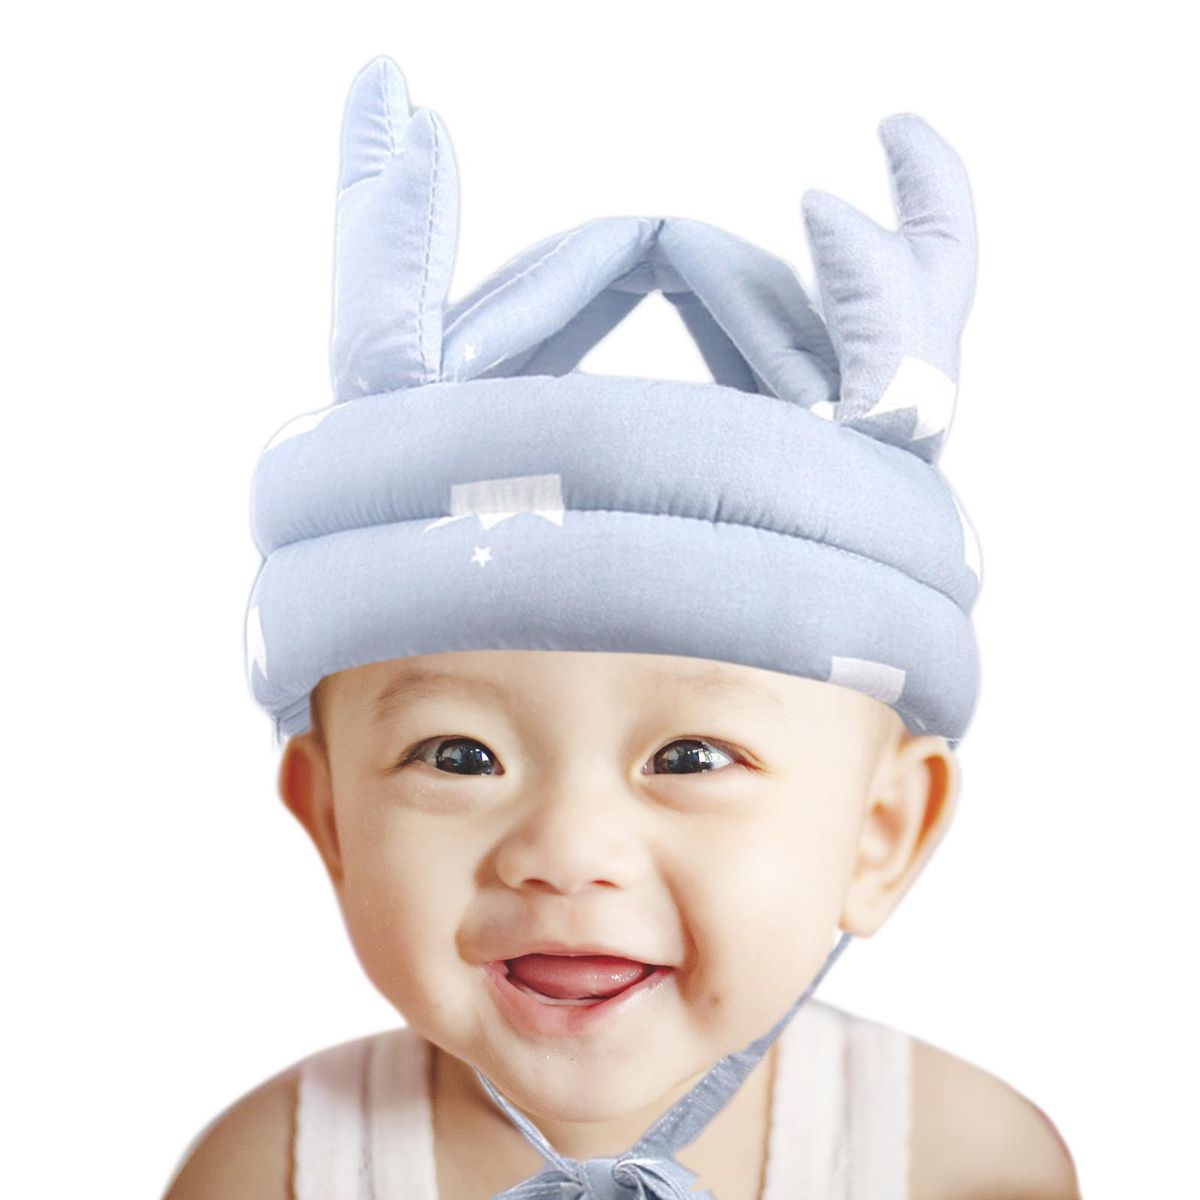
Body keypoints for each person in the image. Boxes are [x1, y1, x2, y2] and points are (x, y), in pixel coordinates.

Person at [164, 56, 1080, 1200]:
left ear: (880, 834)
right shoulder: (271, 1173)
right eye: (459, 755)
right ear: (331, 818)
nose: (567, 852)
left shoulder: (969, 1167)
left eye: (691, 758)